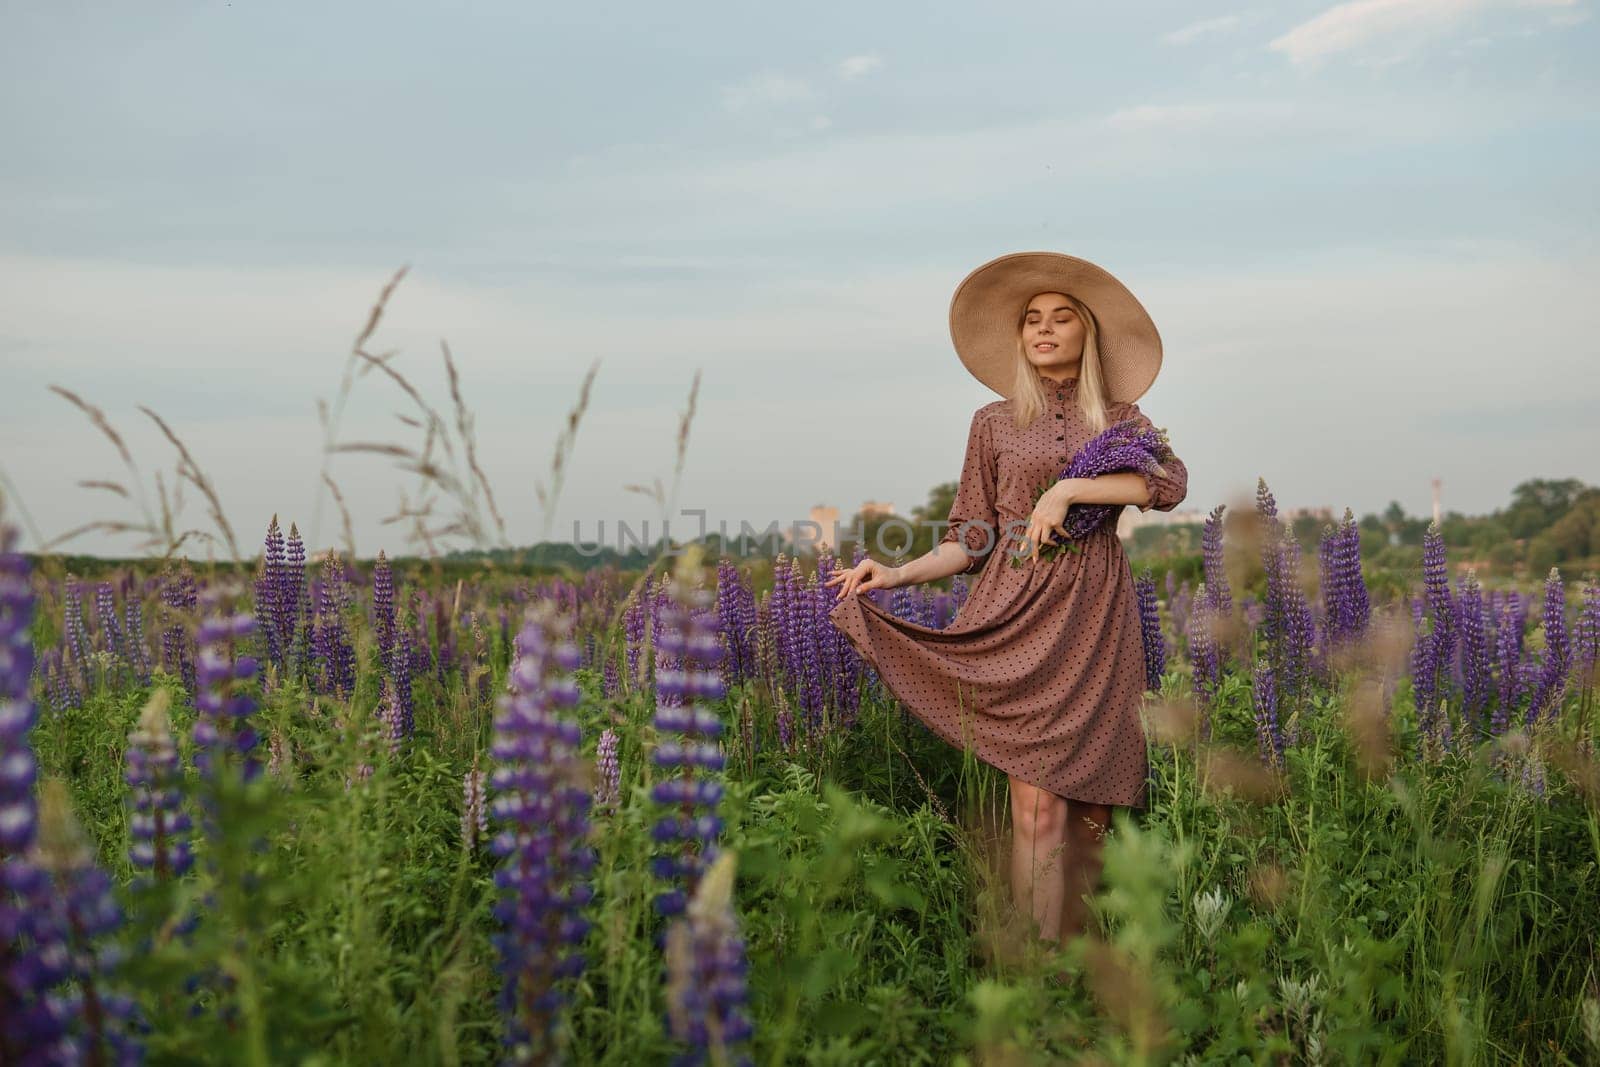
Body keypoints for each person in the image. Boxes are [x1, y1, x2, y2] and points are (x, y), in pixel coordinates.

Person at [825, 251, 1188, 947]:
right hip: (1015, 610)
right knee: (1032, 798)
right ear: (1020, 338)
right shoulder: (992, 422)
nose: (1044, 330)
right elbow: (972, 533)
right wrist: (893, 574)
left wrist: (1069, 488)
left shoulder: (1121, 418)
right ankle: (1036, 962)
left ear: (1087, 334)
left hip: (1095, 608)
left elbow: (1165, 486)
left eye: (1061, 318)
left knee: (1090, 806)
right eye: (1032, 320)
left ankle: (1077, 957)